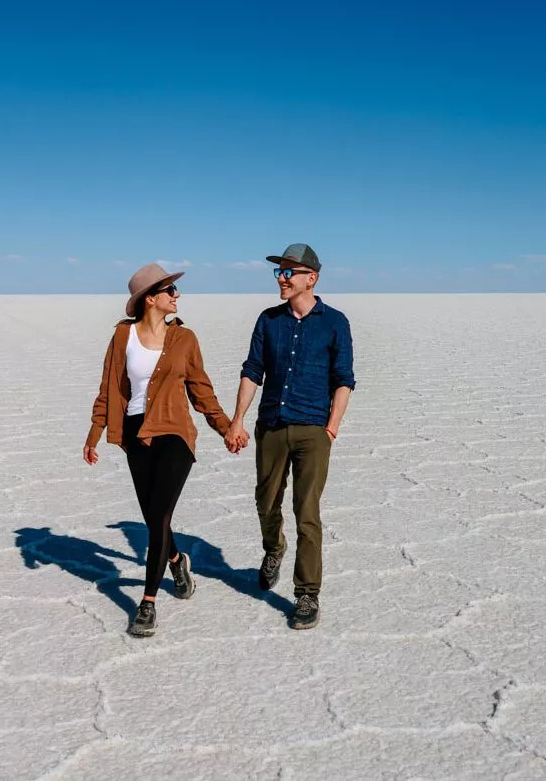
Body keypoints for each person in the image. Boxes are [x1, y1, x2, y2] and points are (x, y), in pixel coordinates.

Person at [84, 263, 233, 637]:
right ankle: (177, 559)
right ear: (150, 299)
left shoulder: (185, 339)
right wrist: (94, 431)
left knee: (161, 512)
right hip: (134, 433)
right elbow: (109, 388)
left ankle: (147, 603)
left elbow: (201, 390)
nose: (177, 296)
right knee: (154, 518)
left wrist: (225, 427)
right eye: (169, 291)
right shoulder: (122, 337)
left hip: (174, 433)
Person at [225, 243, 355, 629]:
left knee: (307, 512)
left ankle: (306, 594)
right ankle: (273, 548)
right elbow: (252, 372)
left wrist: (332, 426)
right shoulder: (269, 320)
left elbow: (343, 380)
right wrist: (237, 420)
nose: (281, 278)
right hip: (272, 426)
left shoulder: (335, 322)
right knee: (266, 501)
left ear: (310, 278)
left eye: (288, 272)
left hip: (314, 429)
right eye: (279, 272)